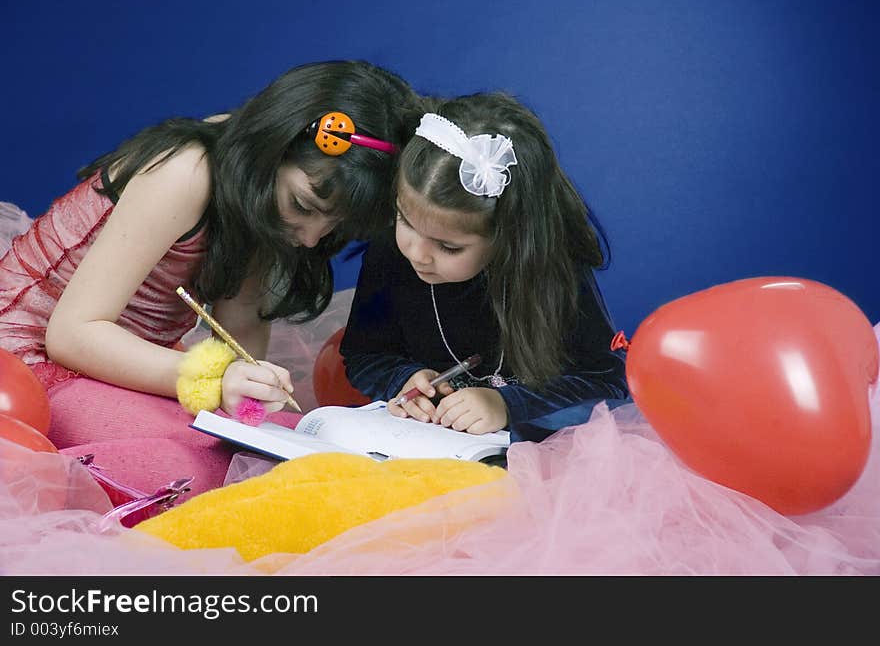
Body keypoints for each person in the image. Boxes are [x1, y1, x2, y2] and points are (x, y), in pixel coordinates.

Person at [0, 60, 421, 494]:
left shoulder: (257, 193)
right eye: (305, 205)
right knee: (194, 472)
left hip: (123, 363)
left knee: (288, 449)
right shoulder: (186, 170)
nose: (312, 240)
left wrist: (248, 384)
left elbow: (240, 333)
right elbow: (71, 334)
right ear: (271, 150)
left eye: (333, 227)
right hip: (30, 360)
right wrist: (217, 378)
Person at [339, 92, 630, 445]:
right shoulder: (391, 252)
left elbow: (607, 381)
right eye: (404, 219)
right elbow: (365, 353)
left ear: (508, 236)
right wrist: (404, 377)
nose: (417, 253)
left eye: (449, 246)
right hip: (430, 448)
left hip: (537, 454)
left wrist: (506, 404)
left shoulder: (555, 271)